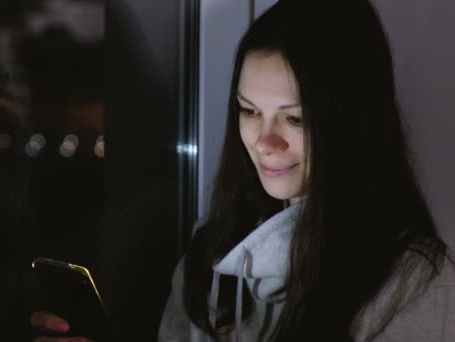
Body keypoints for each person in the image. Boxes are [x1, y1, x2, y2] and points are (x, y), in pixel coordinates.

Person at [31, 0, 455, 341]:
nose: (264, 141)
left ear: (353, 123)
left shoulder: (414, 281)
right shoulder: (214, 247)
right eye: (250, 110)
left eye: (296, 119)